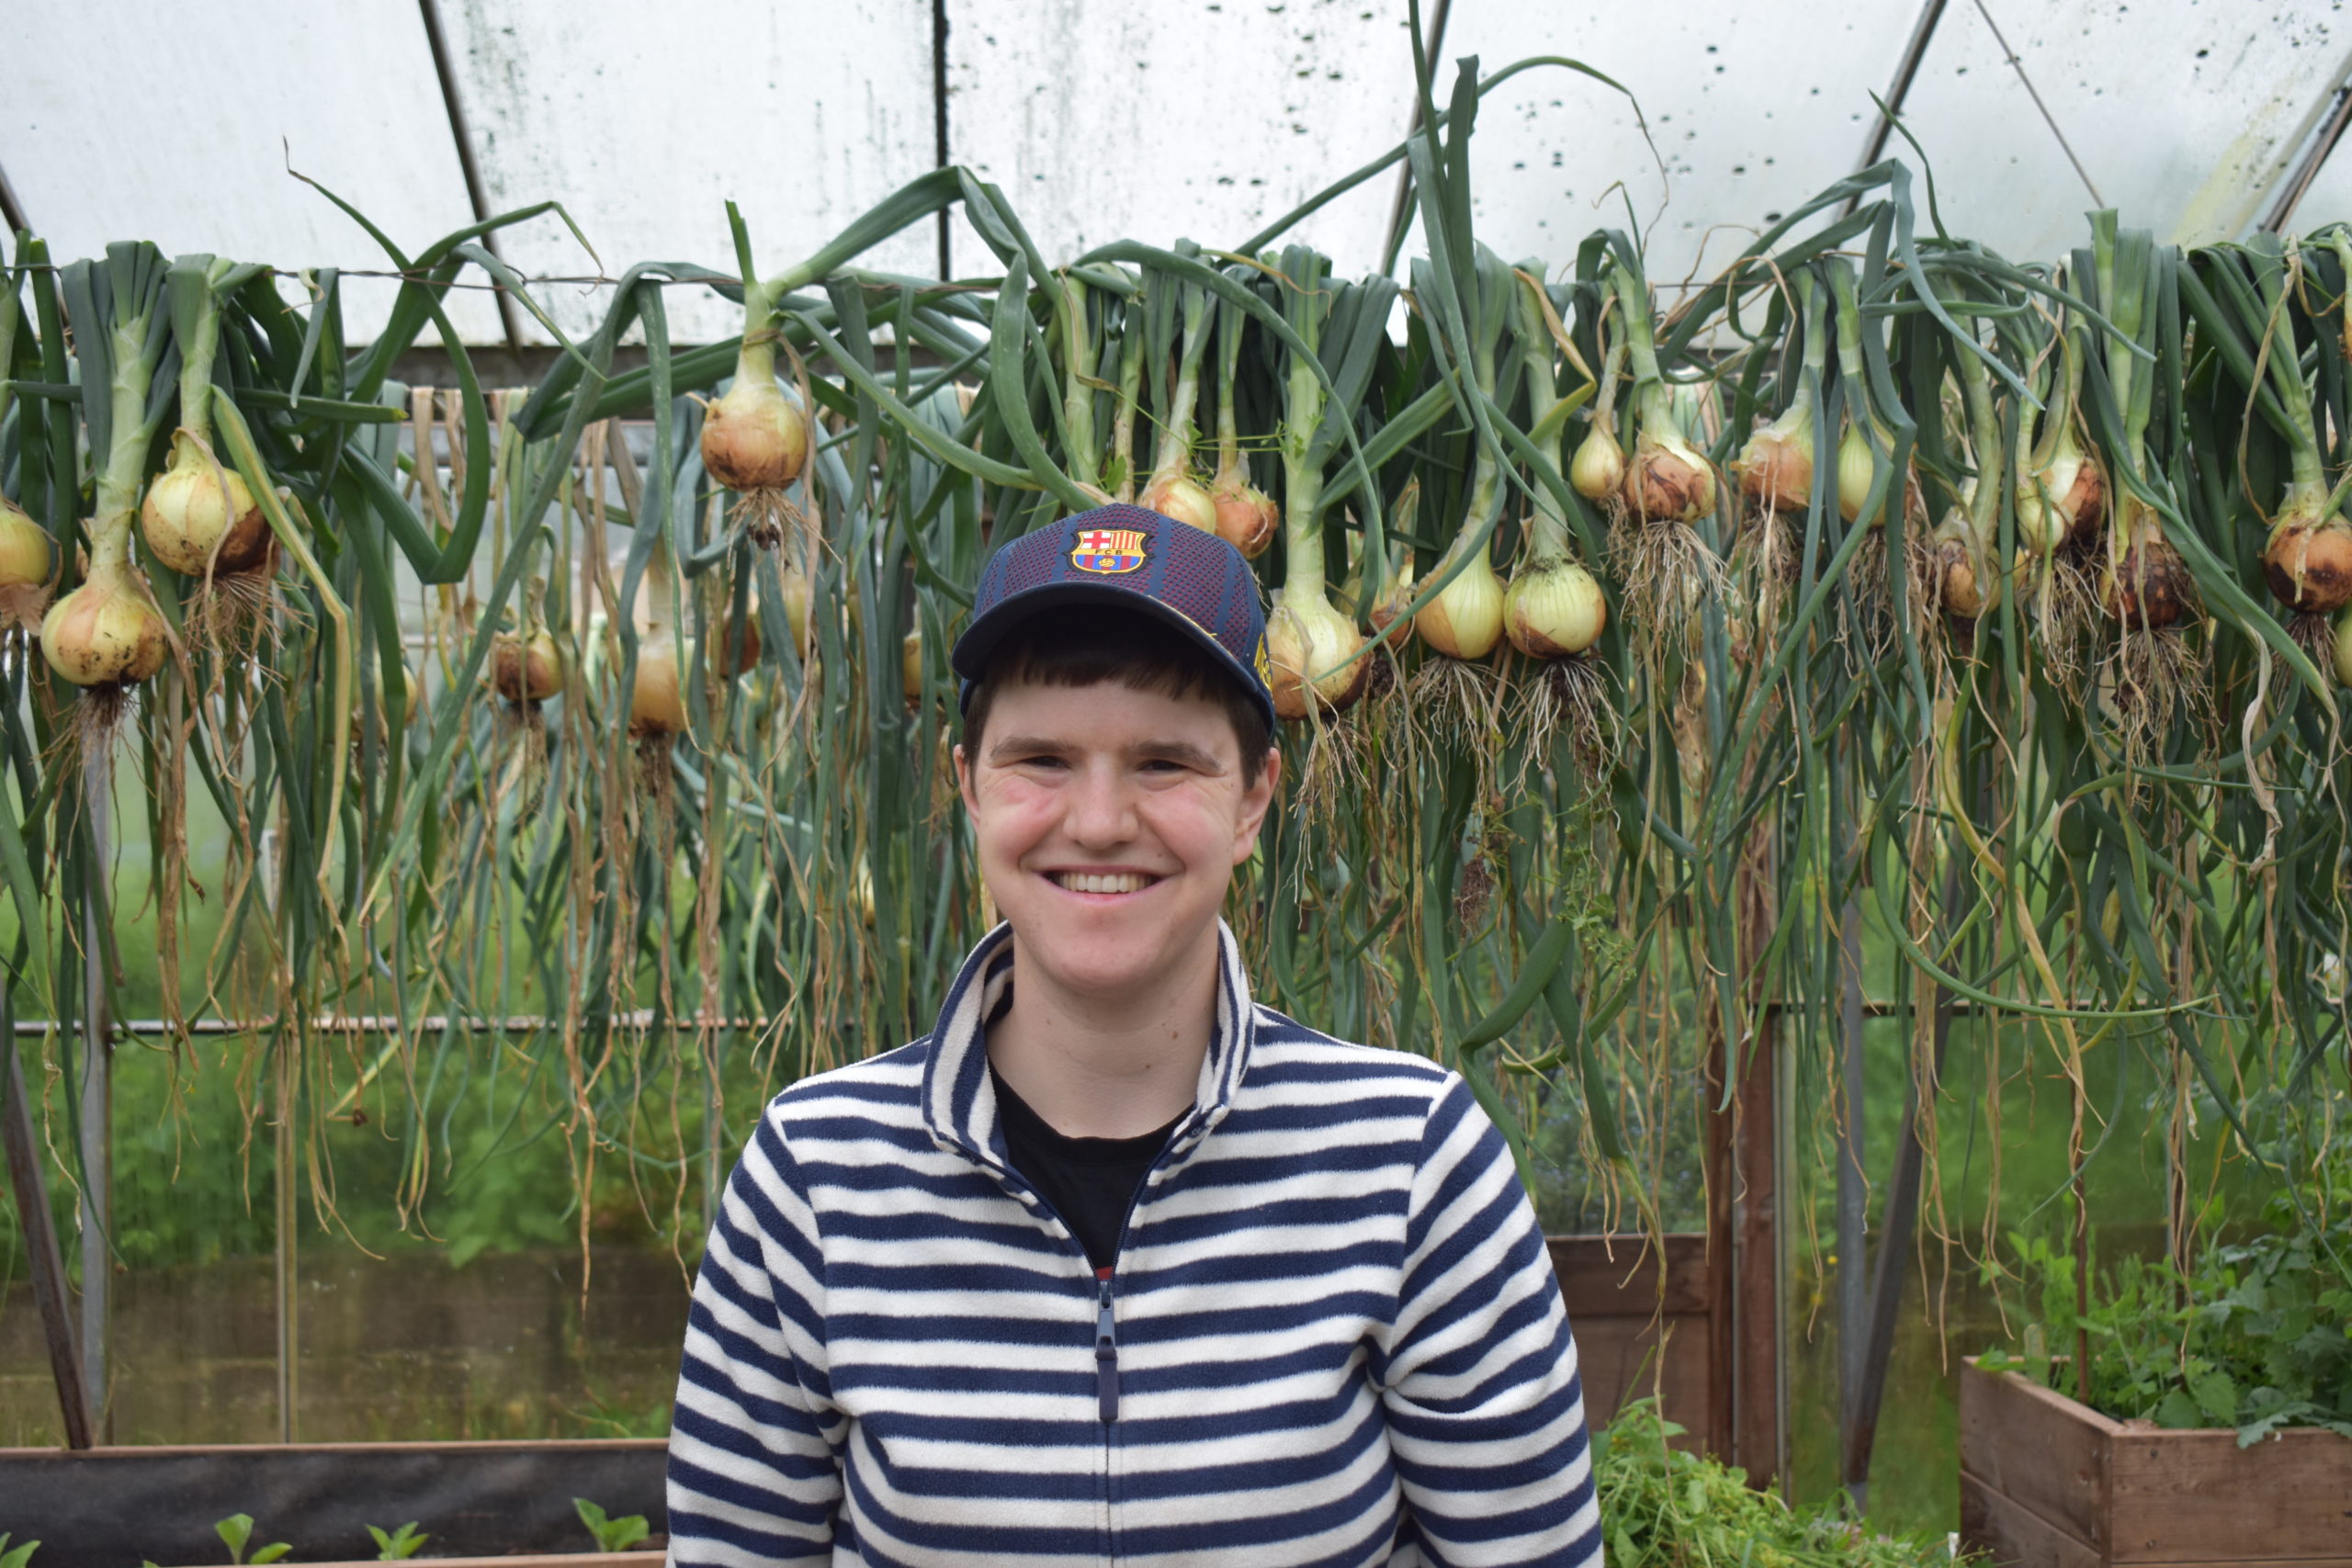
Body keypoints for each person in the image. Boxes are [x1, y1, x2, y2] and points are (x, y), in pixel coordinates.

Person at [665, 503, 1600, 1565]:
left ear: (1253, 801)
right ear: (965, 785)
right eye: (1042, 759)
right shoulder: (818, 1174)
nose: (1100, 819)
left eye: (1164, 763)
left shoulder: (1409, 1162)